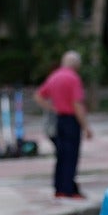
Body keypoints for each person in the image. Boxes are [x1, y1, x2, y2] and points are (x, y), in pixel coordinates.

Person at [34, 50, 90, 200]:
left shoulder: (54, 76)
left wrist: (51, 108)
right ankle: (69, 189)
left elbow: (38, 95)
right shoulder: (73, 78)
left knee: (61, 155)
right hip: (71, 120)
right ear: (76, 65)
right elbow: (77, 104)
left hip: (58, 120)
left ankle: (59, 188)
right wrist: (85, 126)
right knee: (71, 156)